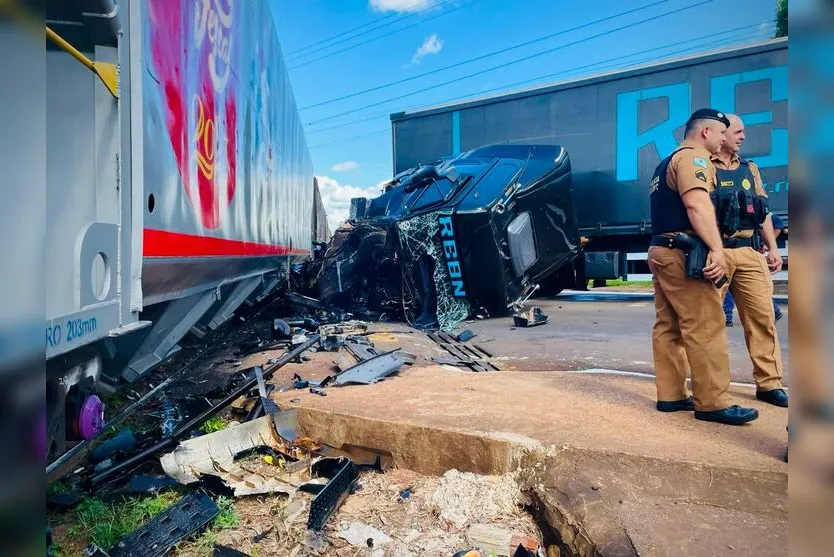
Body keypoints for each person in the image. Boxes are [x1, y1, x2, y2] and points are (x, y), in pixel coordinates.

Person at [648, 108, 758, 425]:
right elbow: (696, 205)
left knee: (668, 325)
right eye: (722, 133)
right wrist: (717, 249)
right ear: (706, 133)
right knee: (706, 324)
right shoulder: (694, 159)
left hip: (664, 247)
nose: (725, 139)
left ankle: (670, 396)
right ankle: (713, 403)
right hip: (685, 251)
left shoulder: (665, 162)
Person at [711, 114, 787, 408]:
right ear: (722, 133)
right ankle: (708, 387)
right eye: (738, 132)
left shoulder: (749, 168)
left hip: (749, 252)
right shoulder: (704, 165)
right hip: (716, 251)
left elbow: (763, 211)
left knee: (762, 319)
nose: (743, 137)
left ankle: (769, 384)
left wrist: (772, 248)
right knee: (706, 322)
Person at [723, 213, 785, 323]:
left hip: (750, 249)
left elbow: (773, 221)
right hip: (721, 248)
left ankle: (773, 312)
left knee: (758, 293)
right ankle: (727, 316)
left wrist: (771, 247)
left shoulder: (754, 196)